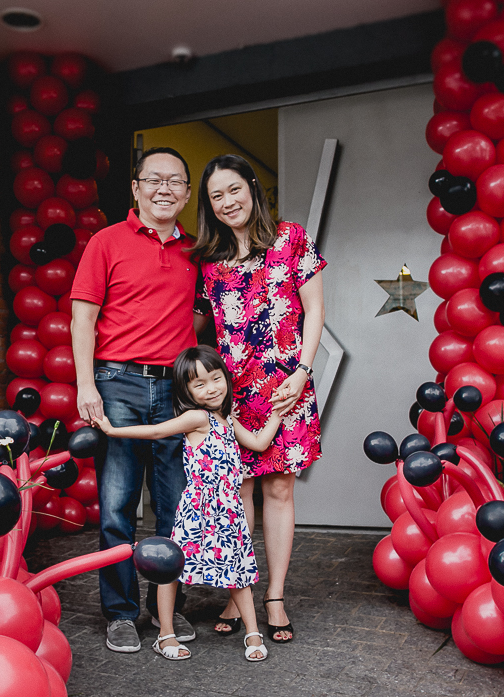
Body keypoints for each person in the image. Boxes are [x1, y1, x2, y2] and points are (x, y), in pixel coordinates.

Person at [191, 154, 326, 643]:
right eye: (216, 197)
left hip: (286, 385)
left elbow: (315, 310)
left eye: (233, 189)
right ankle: (238, 592)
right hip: (232, 392)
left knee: (280, 491)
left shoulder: (290, 239)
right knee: (237, 493)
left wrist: (303, 371)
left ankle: (275, 596)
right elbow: (201, 329)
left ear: (252, 185)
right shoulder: (208, 261)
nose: (228, 202)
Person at [71, 147, 202, 654]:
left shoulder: (196, 251)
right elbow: (83, 319)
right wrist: (87, 385)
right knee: (117, 508)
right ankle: (121, 612)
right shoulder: (106, 242)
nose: (164, 189)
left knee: (175, 505)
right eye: (154, 180)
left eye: (175, 181)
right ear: (136, 187)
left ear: (188, 194)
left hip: (175, 389)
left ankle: (167, 608)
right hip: (117, 383)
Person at [94, 345, 289, 662]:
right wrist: (114, 429)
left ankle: (252, 634)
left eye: (215, 378)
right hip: (196, 511)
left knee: (237, 572)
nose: (211, 388)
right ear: (187, 390)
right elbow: (157, 430)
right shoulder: (197, 418)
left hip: (227, 513)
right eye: (200, 384)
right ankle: (165, 635)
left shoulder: (227, 420)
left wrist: (278, 414)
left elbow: (259, 443)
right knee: (171, 569)